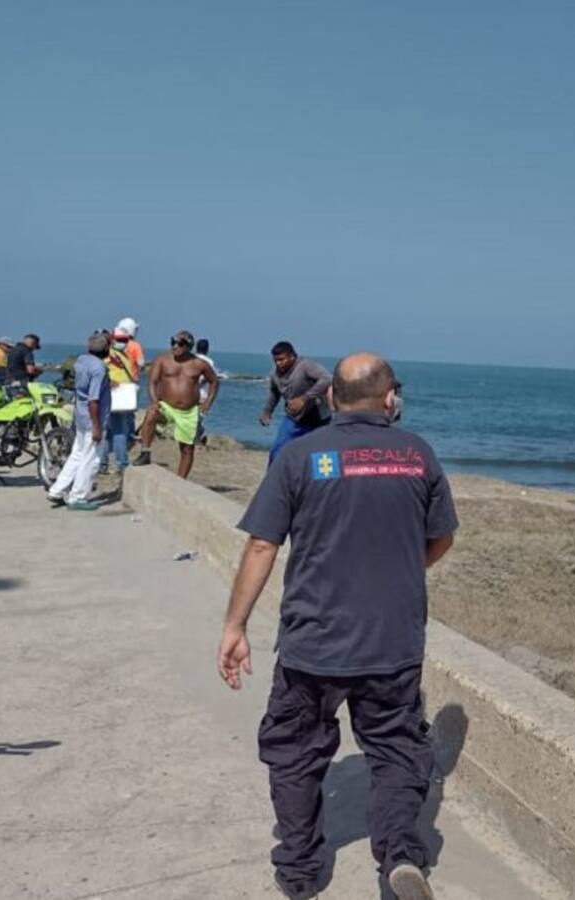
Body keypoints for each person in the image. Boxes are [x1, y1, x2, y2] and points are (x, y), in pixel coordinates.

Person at [218, 352, 457, 900]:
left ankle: (300, 871)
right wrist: (398, 568)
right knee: (397, 750)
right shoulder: (417, 454)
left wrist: (235, 625)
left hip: (313, 644)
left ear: (331, 398)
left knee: (296, 752)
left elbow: (262, 543)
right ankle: (400, 856)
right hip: (393, 641)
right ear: (391, 397)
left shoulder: (300, 456)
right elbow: (441, 537)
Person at [130, 330, 218, 478]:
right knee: (151, 414)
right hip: (166, 406)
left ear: (189, 346)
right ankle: (145, 452)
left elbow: (214, 382)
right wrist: (154, 401)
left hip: (188, 411)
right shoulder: (162, 360)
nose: (175, 346)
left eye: (180, 344)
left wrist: (208, 402)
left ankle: (181, 479)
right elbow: (152, 382)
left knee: (187, 449)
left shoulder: (199, 364)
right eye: (173, 342)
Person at [46, 332, 112, 511]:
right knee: (91, 460)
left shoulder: (81, 360)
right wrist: (97, 427)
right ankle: (78, 497)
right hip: (93, 418)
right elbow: (94, 400)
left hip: (80, 416)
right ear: (106, 348)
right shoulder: (99, 368)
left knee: (77, 454)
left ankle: (57, 490)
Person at [260, 342, 333, 465]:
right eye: (276, 360)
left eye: (282, 359)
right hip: (294, 419)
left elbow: (327, 378)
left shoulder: (306, 366)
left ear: (292, 356)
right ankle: (275, 480)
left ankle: (325, 483)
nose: (278, 363)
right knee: (277, 450)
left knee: (323, 456)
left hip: (319, 418)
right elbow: (274, 393)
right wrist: (267, 412)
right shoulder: (275, 374)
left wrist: (304, 399)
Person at [97, 332, 140, 475]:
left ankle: (103, 464)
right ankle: (121, 463)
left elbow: (100, 371)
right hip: (120, 398)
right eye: (121, 340)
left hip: (111, 397)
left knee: (107, 432)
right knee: (119, 431)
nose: (124, 342)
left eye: (125, 340)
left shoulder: (110, 355)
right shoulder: (123, 356)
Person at [194, 338, 216, 446]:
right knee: (200, 417)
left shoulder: (191, 358)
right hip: (201, 393)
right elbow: (210, 378)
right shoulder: (209, 361)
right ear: (207, 349)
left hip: (189, 391)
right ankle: (198, 438)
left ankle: (196, 438)